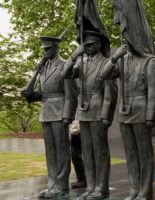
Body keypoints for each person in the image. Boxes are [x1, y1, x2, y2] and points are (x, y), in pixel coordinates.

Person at [100, 1, 155, 199]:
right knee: (130, 154)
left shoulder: (149, 62)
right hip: (124, 113)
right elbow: (104, 75)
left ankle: (145, 191)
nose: (124, 39)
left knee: (144, 154)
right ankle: (134, 189)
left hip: (142, 111)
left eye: (127, 36)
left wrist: (152, 116)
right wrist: (114, 57)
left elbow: (154, 92)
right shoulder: (123, 61)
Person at [62, 30, 117, 200]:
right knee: (87, 151)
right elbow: (64, 74)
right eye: (84, 45)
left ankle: (101, 188)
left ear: (99, 44)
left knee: (100, 152)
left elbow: (111, 92)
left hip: (98, 110)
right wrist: (73, 56)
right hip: (83, 111)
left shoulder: (107, 63)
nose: (86, 48)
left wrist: (106, 115)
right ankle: (91, 187)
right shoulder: (82, 63)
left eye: (90, 45)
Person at [20, 36, 78, 199]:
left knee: (61, 151)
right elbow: (39, 93)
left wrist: (68, 115)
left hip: (60, 112)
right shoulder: (43, 68)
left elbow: (71, 94)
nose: (45, 52)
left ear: (56, 48)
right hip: (46, 112)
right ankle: (52, 184)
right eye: (44, 49)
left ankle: (61, 186)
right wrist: (37, 70)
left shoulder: (65, 65)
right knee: (50, 152)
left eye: (48, 49)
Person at [69, 119, 87, 189]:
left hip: (77, 131)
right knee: (75, 156)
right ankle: (81, 179)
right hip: (76, 130)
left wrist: (73, 131)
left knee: (76, 156)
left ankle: (83, 179)